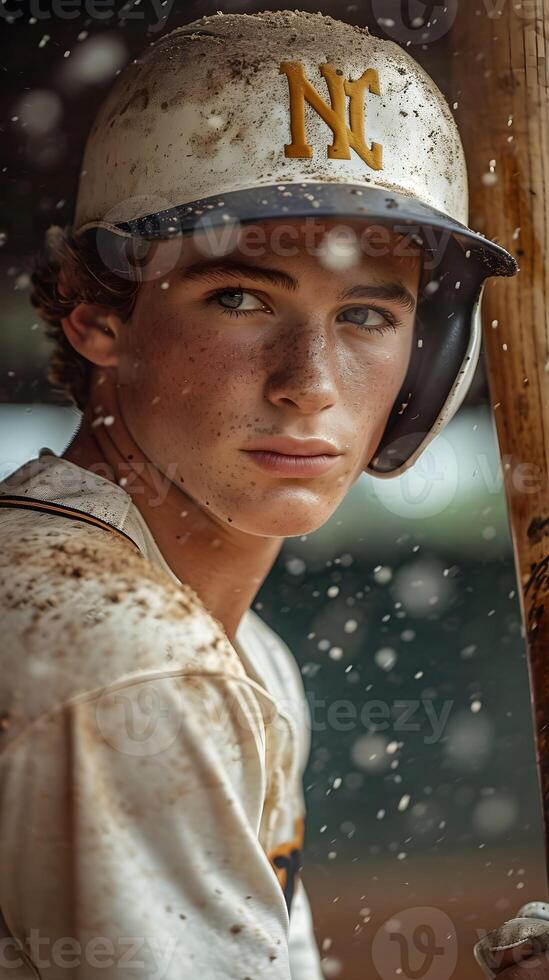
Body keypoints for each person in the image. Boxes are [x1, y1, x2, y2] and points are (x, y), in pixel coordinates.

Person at [0, 8, 539, 979]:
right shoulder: (124, 653)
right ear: (99, 318)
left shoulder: (236, 651)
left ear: (428, 360)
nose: (310, 382)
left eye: (368, 312)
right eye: (241, 296)